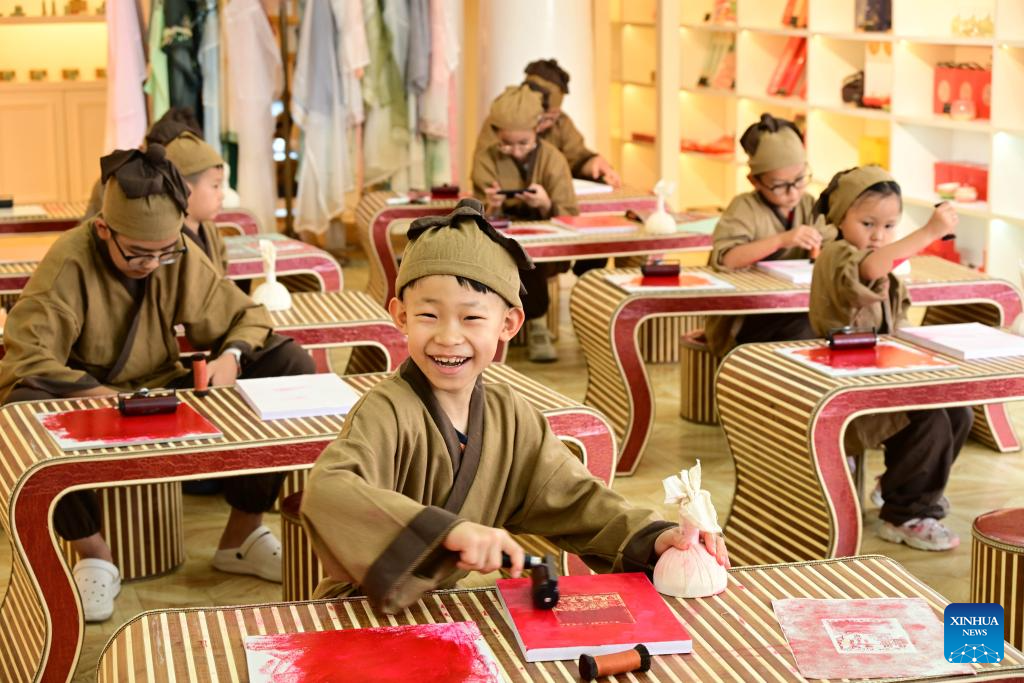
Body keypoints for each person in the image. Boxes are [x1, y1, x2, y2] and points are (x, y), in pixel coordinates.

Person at [300, 199, 728, 611]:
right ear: (400, 316)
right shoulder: (385, 411)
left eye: (471, 318)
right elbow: (328, 490)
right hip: (356, 610)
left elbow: (577, 502)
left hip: (440, 612)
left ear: (508, 324)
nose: (449, 337)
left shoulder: (511, 416)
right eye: (428, 315)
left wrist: (655, 537)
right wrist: (450, 532)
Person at [0, 146, 316, 621]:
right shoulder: (69, 259)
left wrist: (231, 356)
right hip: (82, 391)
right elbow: (25, 356)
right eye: (138, 254)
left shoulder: (177, 253)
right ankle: (93, 554)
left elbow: (246, 315)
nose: (151, 263)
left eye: (163, 253)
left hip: (161, 384)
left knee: (287, 361)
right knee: (20, 406)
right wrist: (95, 394)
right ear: (104, 230)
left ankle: (243, 533)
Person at [809, 165, 969, 552]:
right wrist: (927, 233)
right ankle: (905, 514)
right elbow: (868, 270)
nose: (878, 235)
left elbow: (894, 323)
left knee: (958, 411)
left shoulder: (883, 263)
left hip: (883, 376)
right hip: (843, 386)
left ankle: (899, 486)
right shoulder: (836, 254)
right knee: (928, 420)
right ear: (841, 218)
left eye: (889, 226)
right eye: (867, 223)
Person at [705, 113, 833, 356]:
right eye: (779, 185)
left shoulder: (809, 205)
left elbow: (832, 244)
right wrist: (782, 239)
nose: (792, 193)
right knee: (807, 329)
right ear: (755, 181)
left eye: (799, 180)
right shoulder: (744, 207)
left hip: (796, 306)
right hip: (749, 315)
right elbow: (727, 259)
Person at [472, 84, 577, 362]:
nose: (516, 151)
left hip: (545, 245)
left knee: (530, 259)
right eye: (507, 144)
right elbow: (474, 212)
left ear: (538, 130)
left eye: (523, 143)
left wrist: (545, 204)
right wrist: (491, 205)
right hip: (498, 239)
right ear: (495, 135)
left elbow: (569, 212)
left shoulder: (553, 159)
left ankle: (538, 324)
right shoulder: (486, 157)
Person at [474, 59, 620, 188]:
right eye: (541, 119)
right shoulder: (502, 124)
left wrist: (593, 164)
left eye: (552, 118)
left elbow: (576, 156)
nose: (545, 125)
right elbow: (484, 172)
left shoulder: (561, 122)